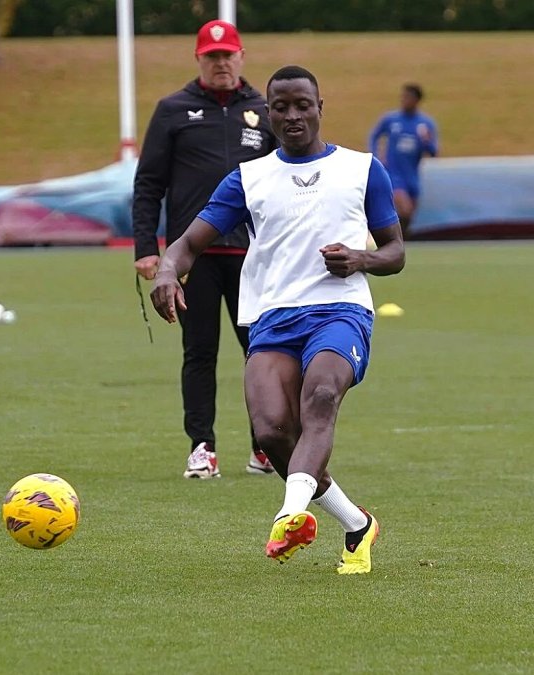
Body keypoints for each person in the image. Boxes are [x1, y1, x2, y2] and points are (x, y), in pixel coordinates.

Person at [151, 65, 404, 575]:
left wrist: (360, 258)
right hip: (271, 317)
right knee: (271, 432)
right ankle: (357, 525)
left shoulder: (362, 169)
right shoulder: (249, 178)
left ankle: (290, 515)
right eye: (280, 106)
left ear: (319, 107)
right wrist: (165, 270)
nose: (291, 115)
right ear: (268, 113)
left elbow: (396, 252)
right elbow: (188, 243)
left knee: (322, 396)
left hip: (340, 310)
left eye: (301, 105)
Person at [132, 19, 277, 479]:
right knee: (199, 351)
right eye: (212, 57)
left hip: (255, 254)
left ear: (241, 56)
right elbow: (148, 184)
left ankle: (265, 445)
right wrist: (146, 247)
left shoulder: (265, 110)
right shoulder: (173, 109)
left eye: (227, 55)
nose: (221, 64)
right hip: (193, 258)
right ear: (199, 59)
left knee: (262, 351)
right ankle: (202, 446)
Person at [368, 83, 438, 232]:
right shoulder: (391, 119)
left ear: (417, 100)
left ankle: (398, 246)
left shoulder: (425, 124)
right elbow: (374, 136)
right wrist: (375, 155)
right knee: (404, 210)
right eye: (403, 97)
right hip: (393, 174)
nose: (404, 100)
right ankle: (390, 242)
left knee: (408, 217)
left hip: (412, 176)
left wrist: (426, 141)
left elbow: (433, 153)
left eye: (408, 97)